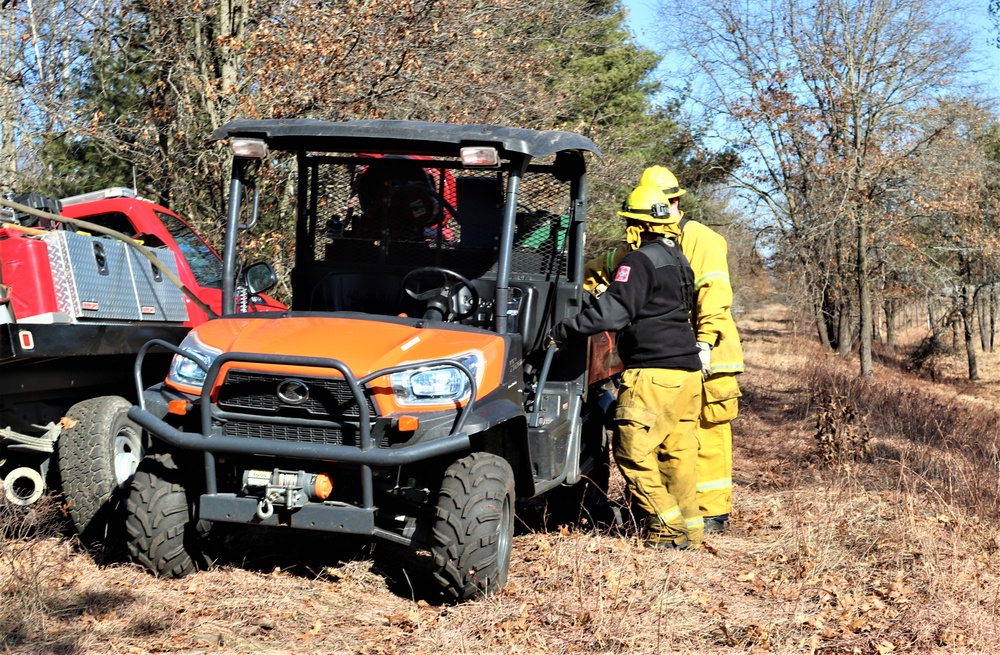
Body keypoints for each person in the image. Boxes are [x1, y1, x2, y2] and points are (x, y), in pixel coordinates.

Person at [585, 165, 744, 533]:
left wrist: (704, 342)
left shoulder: (701, 239)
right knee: (670, 439)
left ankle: (711, 513)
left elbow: (714, 296)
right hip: (671, 355)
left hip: (710, 353)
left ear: (676, 202)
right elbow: (605, 268)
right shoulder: (642, 241)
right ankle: (676, 515)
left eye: (670, 202)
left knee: (704, 434)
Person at [550, 185, 704, 549]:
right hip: (687, 374)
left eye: (629, 223)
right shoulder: (678, 259)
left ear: (638, 224)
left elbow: (613, 313)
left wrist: (562, 330)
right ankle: (690, 532)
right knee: (677, 456)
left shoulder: (639, 260)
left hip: (654, 374)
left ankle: (666, 528)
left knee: (633, 450)